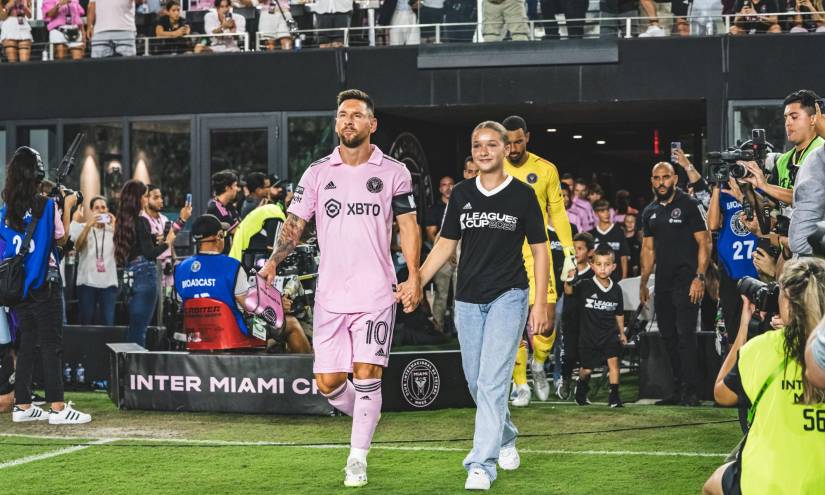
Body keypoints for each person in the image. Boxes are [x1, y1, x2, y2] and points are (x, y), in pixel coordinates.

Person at [258, 89, 420, 488]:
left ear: (372, 124)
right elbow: (294, 223)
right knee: (328, 384)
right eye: (343, 115)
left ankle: (356, 458)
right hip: (330, 295)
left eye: (357, 115)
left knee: (366, 374)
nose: (348, 120)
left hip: (376, 293)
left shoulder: (394, 171)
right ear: (336, 123)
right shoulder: (317, 172)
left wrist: (414, 276)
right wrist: (273, 261)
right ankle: (369, 414)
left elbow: (408, 226)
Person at [407, 120, 549, 491]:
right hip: (468, 299)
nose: (483, 151)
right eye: (476, 144)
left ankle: (481, 465)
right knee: (476, 382)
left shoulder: (522, 195)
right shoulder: (461, 193)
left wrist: (540, 303)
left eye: (491, 144)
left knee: (491, 381)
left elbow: (540, 251)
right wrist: (416, 281)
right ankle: (505, 436)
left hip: (509, 296)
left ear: (505, 149)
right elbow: (445, 244)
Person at [704, 258, 825, 495]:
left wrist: (744, 326)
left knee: (713, 485)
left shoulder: (762, 348)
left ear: (786, 301)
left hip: (765, 485)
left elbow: (721, 393)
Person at [1, 146, 91, 424]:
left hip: (18, 287)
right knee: (52, 344)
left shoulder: (5, 211)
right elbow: (61, 239)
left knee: (27, 343)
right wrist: (67, 206)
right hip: (44, 283)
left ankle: (23, 405)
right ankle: (58, 408)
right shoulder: (47, 205)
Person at [502, 115, 574, 406]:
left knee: (546, 323)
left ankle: (539, 363)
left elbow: (558, 213)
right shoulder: (493, 167)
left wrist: (569, 253)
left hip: (537, 254)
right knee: (511, 325)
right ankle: (521, 385)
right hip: (504, 257)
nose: (513, 148)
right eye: (508, 142)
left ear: (527, 138)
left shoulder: (546, 169)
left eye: (518, 141)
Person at [640, 162, 711, 406]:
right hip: (663, 282)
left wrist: (700, 277)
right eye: (657, 178)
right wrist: (643, 282)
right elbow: (648, 249)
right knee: (668, 335)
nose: (661, 182)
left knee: (685, 335)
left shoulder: (690, 204)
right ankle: (678, 389)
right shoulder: (649, 211)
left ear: (675, 179)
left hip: (688, 280)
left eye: (666, 177)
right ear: (652, 181)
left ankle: (692, 392)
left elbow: (705, 242)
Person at [114, 180, 176, 347]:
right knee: (139, 329)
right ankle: (137, 362)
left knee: (134, 327)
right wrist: (168, 242)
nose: (146, 199)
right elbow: (149, 254)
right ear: (138, 198)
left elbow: (136, 248)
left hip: (129, 276)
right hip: (145, 275)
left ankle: (130, 360)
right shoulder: (141, 221)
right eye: (145, 196)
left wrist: (152, 240)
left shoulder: (122, 221)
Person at [743, 90, 824, 210]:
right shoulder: (783, 160)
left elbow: (806, 197)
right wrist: (746, 187)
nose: (788, 123)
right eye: (786, 117)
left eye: (794, 117)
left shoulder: (821, 152)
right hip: (791, 223)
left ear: (813, 119)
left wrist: (765, 185)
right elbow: (769, 205)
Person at [570, 245, 626, 408]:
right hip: (589, 336)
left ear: (613, 266)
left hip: (610, 334)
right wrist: (568, 279)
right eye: (599, 264)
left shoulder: (617, 289)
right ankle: (581, 386)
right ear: (592, 266)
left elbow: (619, 313)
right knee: (587, 370)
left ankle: (614, 397)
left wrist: (622, 333)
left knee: (613, 364)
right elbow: (568, 292)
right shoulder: (584, 285)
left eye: (607, 264)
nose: (603, 268)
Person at [707, 178, 758, 340]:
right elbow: (712, 225)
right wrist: (716, 188)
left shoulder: (759, 191)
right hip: (730, 270)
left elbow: (765, 220)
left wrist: (742, 197)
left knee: (757, 329)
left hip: (757, 269)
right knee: (733, 331)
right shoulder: (722, 194)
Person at [71, 196, 118, 326]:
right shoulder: (83, 227)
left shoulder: (113, 230)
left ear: (107, 210)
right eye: (97, 208)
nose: (101, 210)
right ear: (91, 211)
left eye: (103, 207)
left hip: (109, 284)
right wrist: (88, 226)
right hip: (87, 283)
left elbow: (122, 252)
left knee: (108, 324)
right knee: (86, 324)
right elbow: (78, 247)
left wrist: (115, 225)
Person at [558, 232, 594, 399]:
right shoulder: (567, 269)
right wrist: (570, 275)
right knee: (570, 355)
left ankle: (582, 386)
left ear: (590, 252)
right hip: (570, 320)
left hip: (588, 322)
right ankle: (565, 380)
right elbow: (568, 291)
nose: (576, 252)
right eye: (574, 248)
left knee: (586, 357)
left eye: (580, 249)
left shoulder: (595, 272)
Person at [425, 176, 455, 332]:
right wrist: (446, 250)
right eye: (444, 185)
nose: (448, 188)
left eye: (451, 184)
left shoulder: (461, 205)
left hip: (462, 255)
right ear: (439, 189)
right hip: (442, 257)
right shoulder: (434, 209)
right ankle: (438, 328)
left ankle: (460, 330)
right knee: (441, 294)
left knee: (461, 295)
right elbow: (431, 233)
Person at [590, 199, 629, 282]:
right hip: (597, 279)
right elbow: (590, 259)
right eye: (602, 211)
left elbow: (624, 256)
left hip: (616, 278)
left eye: (607, 210)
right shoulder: (592, 234)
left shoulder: (619, 231)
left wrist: (624, 278)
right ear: (596, 213)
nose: (606, 214)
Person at [207, 169, 241, 254]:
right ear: (227, 188)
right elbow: (236, 230)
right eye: (235, 185)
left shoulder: (229, 206)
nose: (237, 189)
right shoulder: (216, 207)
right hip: (220, 256)